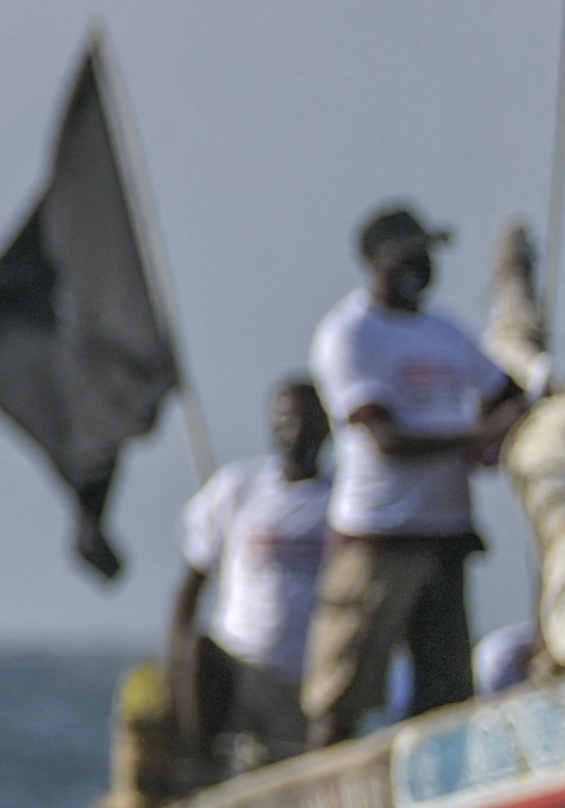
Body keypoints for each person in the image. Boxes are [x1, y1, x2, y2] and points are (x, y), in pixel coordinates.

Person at [305, 200, 518, 742]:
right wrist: (475, 437)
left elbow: (506, 394)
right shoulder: (352, 334)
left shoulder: (446, 331)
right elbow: (384, 438)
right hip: (379, 535)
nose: (421, 265)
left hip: (444, 536)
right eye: (409, 253)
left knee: (445, 690)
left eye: (427, 254)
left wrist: (501, 426)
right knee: (344, 685)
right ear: (375, 259)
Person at [165, 378, 329, 763]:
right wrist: (173, 668)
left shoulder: (343, 500)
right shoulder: (239, 489)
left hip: (308, 678)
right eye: (286, 420)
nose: (297, 431)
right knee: (199, 650)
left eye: (309, 420)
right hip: (242, 669)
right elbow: (190, 586)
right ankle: (200, 761)